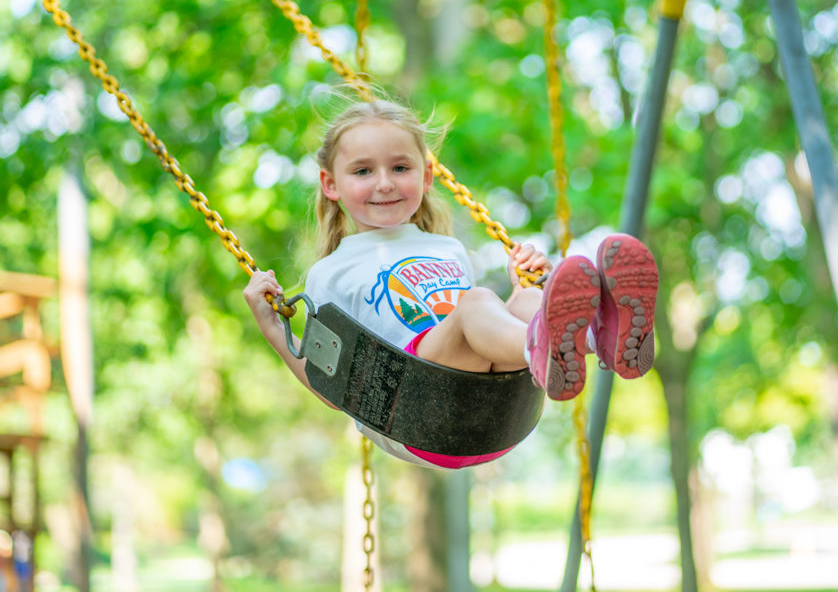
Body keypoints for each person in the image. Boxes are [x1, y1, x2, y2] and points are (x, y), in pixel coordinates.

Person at [244, 99, 658, 469]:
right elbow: (328, 383)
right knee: (477, 301)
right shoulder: (330, 273)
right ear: (330, 184)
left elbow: (480, 343)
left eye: (401, 167)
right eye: (363, 171)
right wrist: (274, 330)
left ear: (426, 177)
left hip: (496, 414)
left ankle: (597, 338)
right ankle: (547, 344)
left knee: (526, 298)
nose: (385, 182)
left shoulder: (449, 248)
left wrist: (524, 289)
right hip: (413, 409)